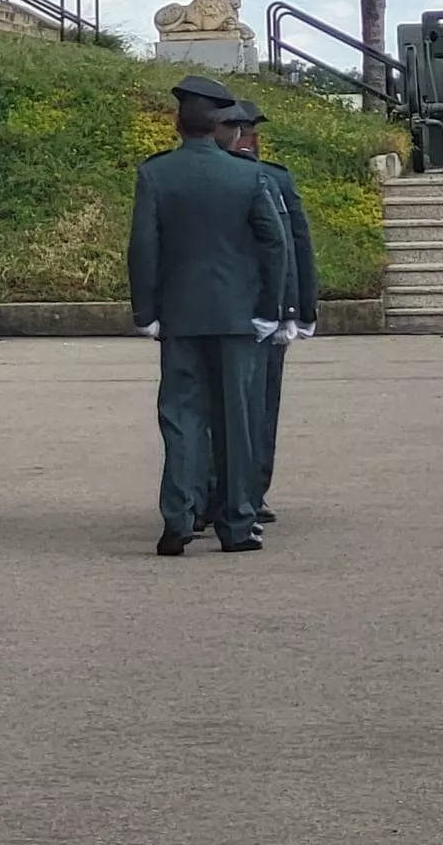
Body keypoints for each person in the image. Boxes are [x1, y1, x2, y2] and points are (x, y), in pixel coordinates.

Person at [127, 77, 287, 557]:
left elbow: (143, 247)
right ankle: (237, 523)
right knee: (236, 419)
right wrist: (270, 309)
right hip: (239, 318)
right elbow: (274, 244)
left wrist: (145, 311)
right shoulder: (247, 175)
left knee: (180, 417)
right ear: (221, 125)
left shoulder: (156, 174)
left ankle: (178, 517)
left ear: (177, 124)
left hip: (179, 316)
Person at [219, 100, 318, 524]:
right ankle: (250, 493)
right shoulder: (270, 178)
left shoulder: (269, 177)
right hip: (268, 307)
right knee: (259, 404)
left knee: (221, 407)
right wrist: (299, 310)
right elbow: (296, 248)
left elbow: (296, 245)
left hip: (236, 308)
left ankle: (226, 492)